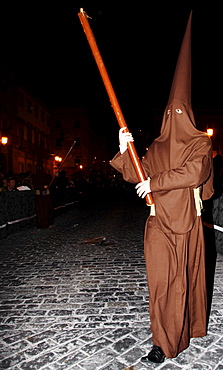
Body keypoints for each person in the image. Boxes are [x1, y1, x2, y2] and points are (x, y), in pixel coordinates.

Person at [110, 12, 214, 363]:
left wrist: (155, 182)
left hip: (186, 222)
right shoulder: (154, 147)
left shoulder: (200, 143)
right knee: (162, 284)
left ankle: (187, 328)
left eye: (180, 111)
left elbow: (194, 174)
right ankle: (163, 341)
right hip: (158, 223)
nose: (174, 117)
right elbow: (137, 175)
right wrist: (126, 150)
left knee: (185, 281)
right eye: (170, 112)